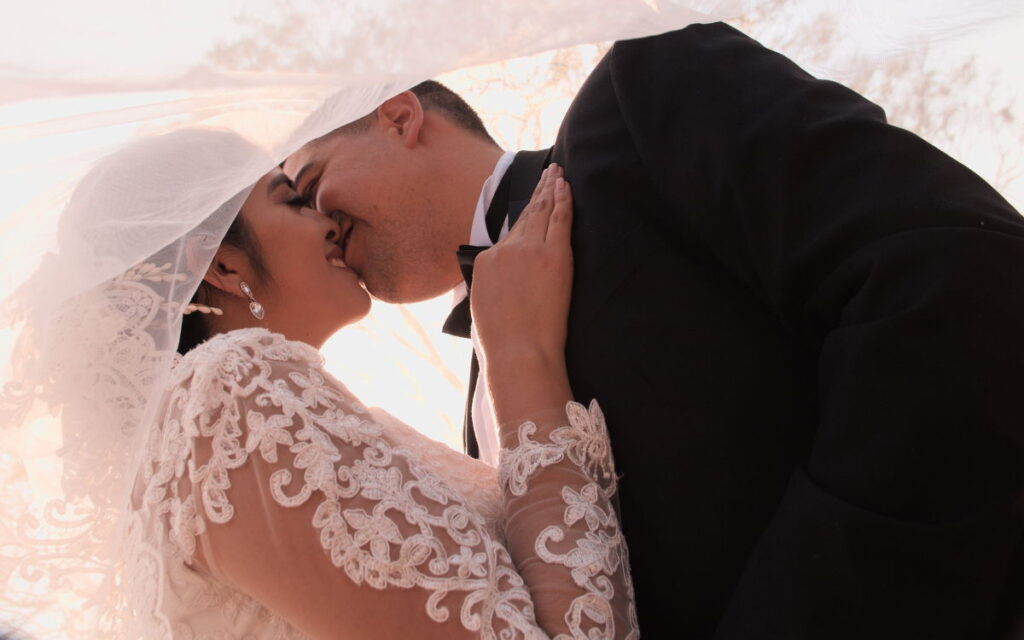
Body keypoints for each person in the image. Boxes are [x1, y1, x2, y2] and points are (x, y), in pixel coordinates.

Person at [283, 22, 1024, 638]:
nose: (315, 228)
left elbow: (954, 278)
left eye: (313, 186)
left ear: (399, 115)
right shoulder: (480, 411)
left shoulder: (647, 91)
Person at [2, 129, 637, 639]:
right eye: (292, 199)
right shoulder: (235, 394)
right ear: (221, 262)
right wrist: (522, 357)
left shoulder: (217, 432)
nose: (329, 219)